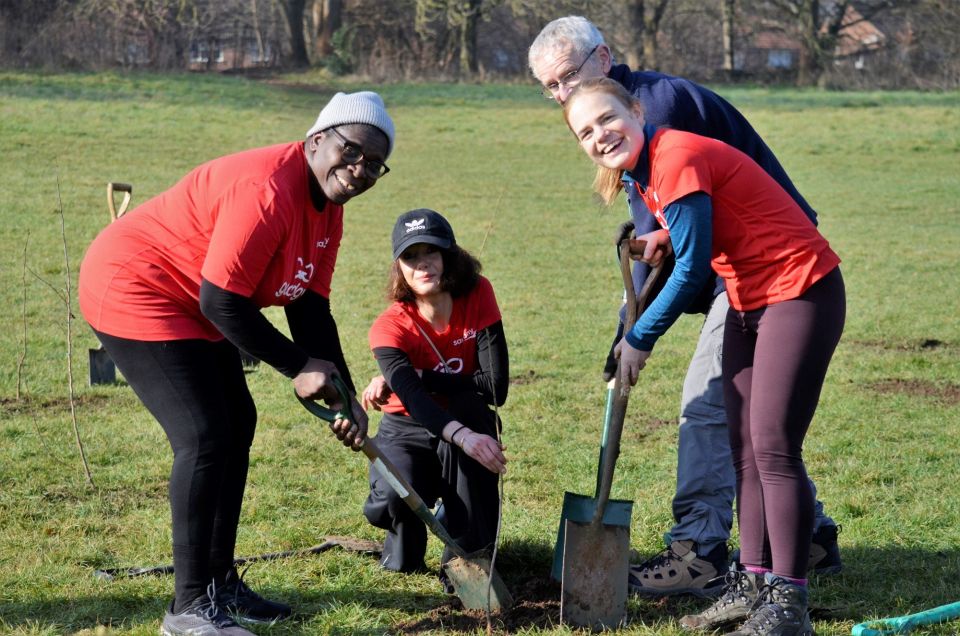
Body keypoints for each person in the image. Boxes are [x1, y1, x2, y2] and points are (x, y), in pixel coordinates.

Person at [529, 15, 843, 599]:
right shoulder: (624, 121)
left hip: (772, 264)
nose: (564, 93)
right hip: (736, 264)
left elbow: (688, 252)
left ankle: (697, 550)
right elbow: (674, 232)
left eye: (569, 75)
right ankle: (811, 533)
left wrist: (636, 334)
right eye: (552, 87)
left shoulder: (655, 109)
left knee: (706, 405)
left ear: (604, 58)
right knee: (747, 421)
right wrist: (638, 306)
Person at [78, 91, 394, 635]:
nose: (359, 169)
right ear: (318, 140)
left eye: (374, 165)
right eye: (351, 151)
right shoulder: (267, 189)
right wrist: (298, 366)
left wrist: (337, 383)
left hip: (199, 299)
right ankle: (186, 608)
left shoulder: (327, 209)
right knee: (204, 435)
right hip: (136, 286)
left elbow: (309, 305)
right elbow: (220, 302)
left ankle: (218, 584)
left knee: (237, 423)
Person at [360, 208, 509, 590]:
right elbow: (415, 401)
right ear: (399, 266)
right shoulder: (388, 327)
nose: (422, 264)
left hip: (465, 413)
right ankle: (400, 539)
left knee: (474, 464)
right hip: (406, 424)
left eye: (432, 252)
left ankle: (465, 564)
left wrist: (421, 376)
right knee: (395, 497)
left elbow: (495, 388)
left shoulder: (479, 292)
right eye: (411, 256)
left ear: (450, 255)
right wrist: (458, 425)